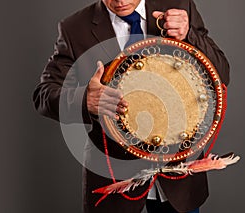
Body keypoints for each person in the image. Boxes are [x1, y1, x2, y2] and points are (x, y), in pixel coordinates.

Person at [33, 0, 230, 212]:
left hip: (179, 180)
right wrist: (84, 100)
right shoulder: (75, 28)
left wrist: (189, 34)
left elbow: (222, 74)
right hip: (114, 179)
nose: (120, 0)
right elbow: (43, 95)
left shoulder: (179, 5)